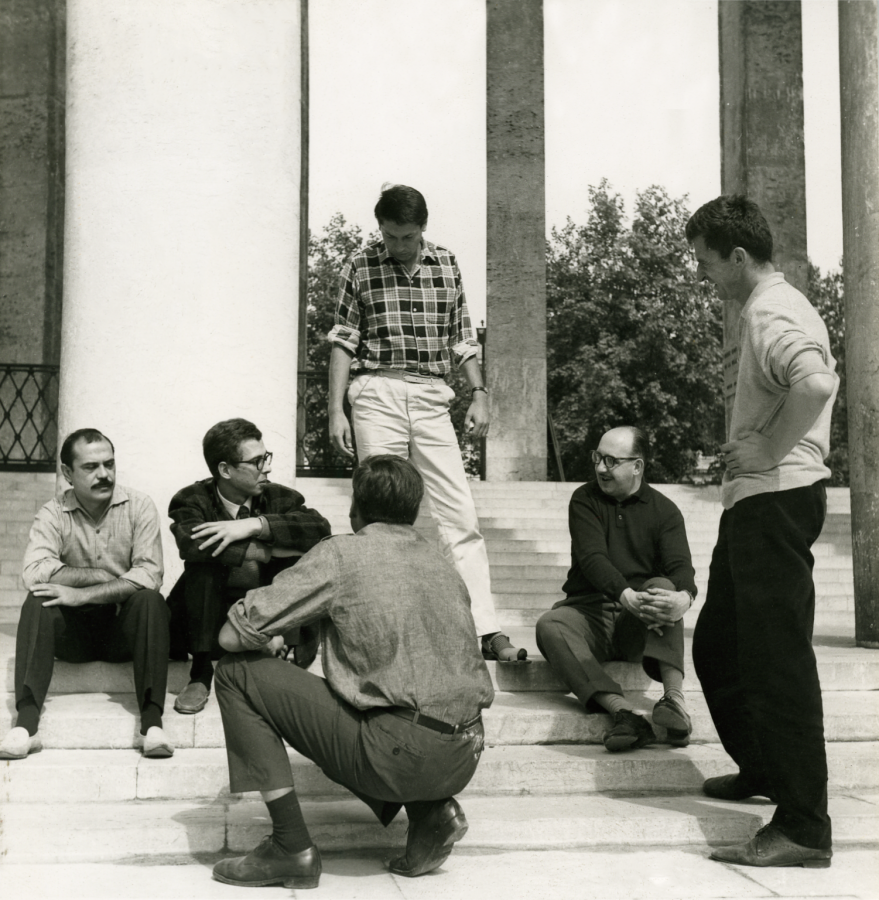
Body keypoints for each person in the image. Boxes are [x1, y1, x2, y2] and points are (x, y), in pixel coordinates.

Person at [210, 455, 494, 889]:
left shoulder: (343, 552)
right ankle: (431, 812)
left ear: (354, 508)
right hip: (465, 753)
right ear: (415, 510)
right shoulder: (440, 562)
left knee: (235, 673)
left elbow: (233, 636)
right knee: (372, 699)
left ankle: (291, 847)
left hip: (400, 756)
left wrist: (268, 635)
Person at [687, 195, 838, 869]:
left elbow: (814, 382)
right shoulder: (764, 307)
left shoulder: (774, 308)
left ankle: (803, 825)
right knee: (720, 649)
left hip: (776, 501)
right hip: (756, 503)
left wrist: (768, 451)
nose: (703, 276)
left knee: (777, 667)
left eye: (706, 262)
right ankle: (764, 769)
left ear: (737, 257)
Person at [327, 183, 527, 664]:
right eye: (390, 236)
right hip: (377, 391)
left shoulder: (446, 263)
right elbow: (343, 341)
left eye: (407, 237)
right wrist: (336, 409)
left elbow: (462, 337)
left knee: (460, 515)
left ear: (423, 229)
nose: (398, 246)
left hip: (433, 397)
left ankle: (485, 628)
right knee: (379, 515)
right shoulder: (360, 265)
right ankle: (380, 628)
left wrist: (479, 392)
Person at [0, 428, 172, 760]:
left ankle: (152, 725)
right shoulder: (53, 512)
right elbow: (34, 571)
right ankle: (26, 726)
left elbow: (150, 574)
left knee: (150, 600)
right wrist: (98, 575)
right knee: (38, 600)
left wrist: (83, 594)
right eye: (91, 467)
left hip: (123, 632)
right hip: (75, 637)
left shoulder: (139, 506)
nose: (104, 474)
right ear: (68, 473)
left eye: (109, 464)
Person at [536, 426, 697, 752]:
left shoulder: (665, 511)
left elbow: (682, 569)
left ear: (637, 466)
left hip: (638, 624)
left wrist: (685, 597)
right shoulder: (585, 499)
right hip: (590, 614)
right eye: (598, 458)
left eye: (611, 461)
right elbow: (592, 558)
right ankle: (625, 714)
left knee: (664, 588)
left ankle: (674, 702)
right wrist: (625, 595)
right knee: (549, 624)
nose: (600, 468)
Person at [167, 418, 331, 714]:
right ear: (225, 470)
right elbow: (193, 545)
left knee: (297, 555)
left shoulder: (280, 497)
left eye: (266, 457)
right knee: (202, 565)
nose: (266, 467)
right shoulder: (191, 500)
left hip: (268, 616)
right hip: (211, 619)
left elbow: (320, 529)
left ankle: (276, 648)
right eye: (257, 461)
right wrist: (267, 551)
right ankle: (201, 674)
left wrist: (253, 525)